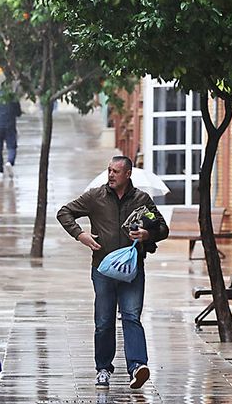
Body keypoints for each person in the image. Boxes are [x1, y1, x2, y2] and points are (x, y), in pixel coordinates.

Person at [57, 156, 169, 389]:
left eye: (116, 171)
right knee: (104, 321)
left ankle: (138, 367)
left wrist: (147, 235)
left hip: (132, 268)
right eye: (109, 170)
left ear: (128, 174)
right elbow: (64, 212)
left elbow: (162, 228)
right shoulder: (95, 197)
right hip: (104, 269)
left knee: (131, 316)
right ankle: (103, 369)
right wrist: (81, 235)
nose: (110, 175)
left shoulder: (141, 200)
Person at [0, 87, 22, 176]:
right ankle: (10, 162)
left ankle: (0, 170)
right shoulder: (13, 100)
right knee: (11, 146)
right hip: (10, 126)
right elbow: (18, 113)